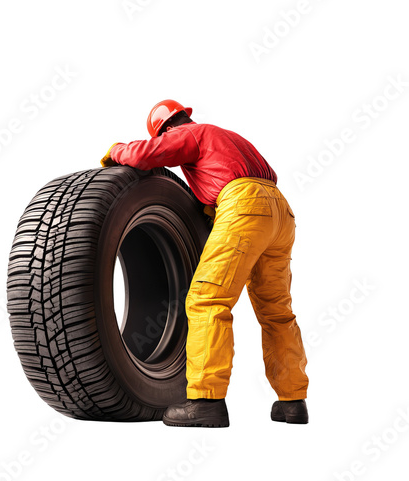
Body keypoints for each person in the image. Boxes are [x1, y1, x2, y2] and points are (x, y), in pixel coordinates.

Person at [101, 99, 309, 427]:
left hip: (244, 206)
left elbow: (146, 155)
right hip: (281, 211)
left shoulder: (194, 135)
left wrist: (116, 150)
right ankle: (293, 402)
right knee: (277, 313)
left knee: (206, 301)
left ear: (167, 128)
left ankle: (205, 402)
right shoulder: (232, 138)